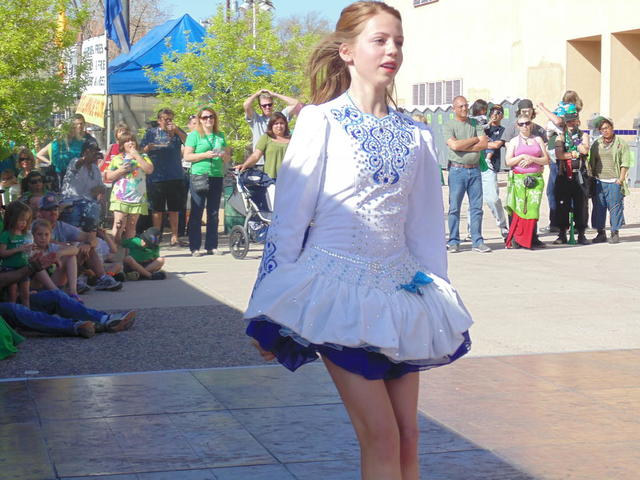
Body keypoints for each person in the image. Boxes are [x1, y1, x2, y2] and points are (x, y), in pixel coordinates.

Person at [244, 3, 473, 478]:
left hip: (401, 293)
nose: (392, 49)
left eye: (398, 41)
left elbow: (426, 227)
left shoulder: (417, 133)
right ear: (347, 51)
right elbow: (288, 220)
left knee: (408, 436)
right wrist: (267, 308)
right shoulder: (319, 121)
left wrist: (439, 293)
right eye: (380, 40)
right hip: (335, 294)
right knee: (382, 436)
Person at [37, 193, 122, 291]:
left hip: (60, 268)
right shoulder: (35, 227)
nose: (53, 212)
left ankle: (102, 278)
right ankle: (72, 284)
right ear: (40, 212)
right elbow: (46, 244)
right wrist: (67, 247)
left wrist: (87, 244)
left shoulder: (62, 226)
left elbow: (90, 238)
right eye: (49, 209)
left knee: (86, 249)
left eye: (55, 209)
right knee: (69, 253)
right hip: (46, 273)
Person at [444, 95, 491, 253]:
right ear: (454, 109)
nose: (464, 109)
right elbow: (454, 145)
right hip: (457, 171)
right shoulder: (449, 125)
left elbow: (484, 143)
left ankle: (477, 241)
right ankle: (453, 241)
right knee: (454, 208)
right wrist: (473, 140)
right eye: (461, 106)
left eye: (466, 106)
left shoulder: (475, 123)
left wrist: (464, 145)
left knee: (476, 207)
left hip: (475, 169)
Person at [183, 107, 230, 256]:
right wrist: (204, 155)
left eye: (211, 117)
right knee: (197, 211)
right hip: (199, 175)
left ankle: (212, 246)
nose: (208, 119)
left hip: (216, 175)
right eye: (205, 117)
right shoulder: (194, 135)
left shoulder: (220, 135)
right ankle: (195, 247)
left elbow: (227, 157)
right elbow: (187, 157)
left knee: (214, 212)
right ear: (200, 120)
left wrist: (223, 155)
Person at [140, 108, 187, 247]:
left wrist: (177, 130)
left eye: (170, 119)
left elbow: (189, 143)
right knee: (157, 209)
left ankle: (175, 237)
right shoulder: (151, 133)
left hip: (175, 175)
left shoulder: (177, 132)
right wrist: (149, 147)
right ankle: (156, 237)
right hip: (156, 176)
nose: (168, 122)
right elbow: (140, 150)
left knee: (174, 209)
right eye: (166, 119)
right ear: (159, 120)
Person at [504, 114, 550, 249]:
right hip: (519, 180)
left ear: (531, 124)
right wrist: (522, 156)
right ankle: (517, 239)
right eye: (521, 124)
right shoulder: (513, 141)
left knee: (533, 209)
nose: (524, 126)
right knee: (519, 209)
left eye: (527, 123)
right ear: (517, 126)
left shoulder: (538, 139)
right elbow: (508, 161)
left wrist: (532, 159)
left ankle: (531, 238)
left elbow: (546, 160)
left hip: (535, 179)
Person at [587, 116, 633, 244]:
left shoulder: (620, 143)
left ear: (612, 128)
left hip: (614, 181)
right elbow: (591, 161)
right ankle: (600, 233)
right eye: (602, 129)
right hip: (599, 181)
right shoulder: (597, 143)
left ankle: (614, 232)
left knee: (615, 207)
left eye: (607, 128)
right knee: (599, 208)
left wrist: (621, 179)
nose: (605, 131)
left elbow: (625, 162)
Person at [104, 133, 154, 244]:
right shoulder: (117, 158)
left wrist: (137, 156)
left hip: (137, 197)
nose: (130, 143)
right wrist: (120, 171)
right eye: (127, 141)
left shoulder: (143, 157)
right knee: (119, 224)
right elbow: (108, 176)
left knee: (131, 227)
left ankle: (128, 253)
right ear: (122, 145)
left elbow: (149, 170)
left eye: (132, 140)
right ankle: (114, 251)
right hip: (120, 197)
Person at [553, 104, 590, 245]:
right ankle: (562, 233)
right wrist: (572, 154)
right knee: (562, 204)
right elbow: (559, 154)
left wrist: (576, 140)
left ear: (577, 121)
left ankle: (581, 233)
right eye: (568, 121)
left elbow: (584, 151)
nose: (570, 124)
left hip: (579, 175)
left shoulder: (583, 135)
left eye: (573, 121)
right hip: (564, 175)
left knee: (581, 205)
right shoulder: (560, 137)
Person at [36, 114, 98, 189]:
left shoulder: (83, 142)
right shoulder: (56, 143)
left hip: (78, 175)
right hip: (60, 176)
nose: (71, 131)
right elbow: (39, 154)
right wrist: (50, 162)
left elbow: (89, 159)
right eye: (68, 129)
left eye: (73, 128)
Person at [30, 218, 82, 301]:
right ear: (33, 235)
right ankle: (59, 294)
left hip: (54, 280)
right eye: (39, 234)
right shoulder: (31, 249)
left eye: (46, 234)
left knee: (70, 256)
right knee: (36, 265)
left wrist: (59, 254)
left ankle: (73, 292)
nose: (43, 237)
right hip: (36, 285)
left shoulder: (51, 247)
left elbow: (75, 249)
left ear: (50, 235)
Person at [0, 201, 40, 308]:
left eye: (26, 220)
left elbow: (27, 251)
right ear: (12, 218)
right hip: (10, 270)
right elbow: (2, 253)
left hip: (23, 267)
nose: (24, 223)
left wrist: (32, 249)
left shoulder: (25, 234)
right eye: (21, 220)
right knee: (12, 295)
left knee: (25, 294)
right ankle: (13, 316)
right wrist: (19, 249)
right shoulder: (6, 234)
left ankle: (27, 315)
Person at [59, 140, 105, 231]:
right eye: (92, 151)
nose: (96, 154)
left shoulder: (96, 169)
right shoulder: (75, 161)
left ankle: (89, 237)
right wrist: (85, 158)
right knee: (75, 214)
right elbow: (78, 164)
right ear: (84, 152)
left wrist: (100, 189)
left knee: (94, 208)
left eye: (96, 152)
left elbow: (101, 187)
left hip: (89, 202)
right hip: (72, 202)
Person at [480, 104, 509, 239]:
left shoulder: (502, 130)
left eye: (498, 113)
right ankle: (471, 230)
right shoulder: (483, 127)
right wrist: (487, 124)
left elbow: (497, 144)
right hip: (475, 164)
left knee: (493, 198)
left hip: (490, 166)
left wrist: (480, 144)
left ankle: (502, 225)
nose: (495, 115)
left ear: (502, 115)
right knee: (474, 201)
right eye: (492, 112)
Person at [236, 112, 291, 179]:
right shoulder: (266, 138)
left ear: (285, 125)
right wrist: (245, 165)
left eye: (281, 123)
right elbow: (256, 156)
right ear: (271, 125)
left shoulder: (292, 140)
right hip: (270, 179)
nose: (279, 126)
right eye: (276, 123)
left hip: (289, 178)